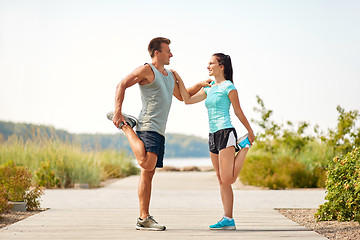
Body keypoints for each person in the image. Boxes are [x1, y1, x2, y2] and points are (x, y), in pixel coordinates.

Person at [107, 37, 211, 231]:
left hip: (159, 129)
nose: (171, 54)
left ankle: (143, 218)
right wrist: (118, 112)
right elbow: (122, 84)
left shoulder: (170, 75)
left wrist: (201, 84)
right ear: (157, 52)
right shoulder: (147, 70)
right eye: (168, 51)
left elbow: (183, 96)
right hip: (147, 125)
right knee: (146, 163)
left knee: (148, 173)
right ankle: (126, 126)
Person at [172, 53, 255, 230]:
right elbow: (186, 99)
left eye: (211, 63)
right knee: (220, 179)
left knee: (228, 179)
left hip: (226, 132)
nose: (208, 66)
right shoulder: (209, 88)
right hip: (212, 136)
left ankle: (245, 146)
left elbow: (238, 111)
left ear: (221, 66)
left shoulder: (229, 87)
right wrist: (178, 78)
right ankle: (228, 219)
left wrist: (250, 131)